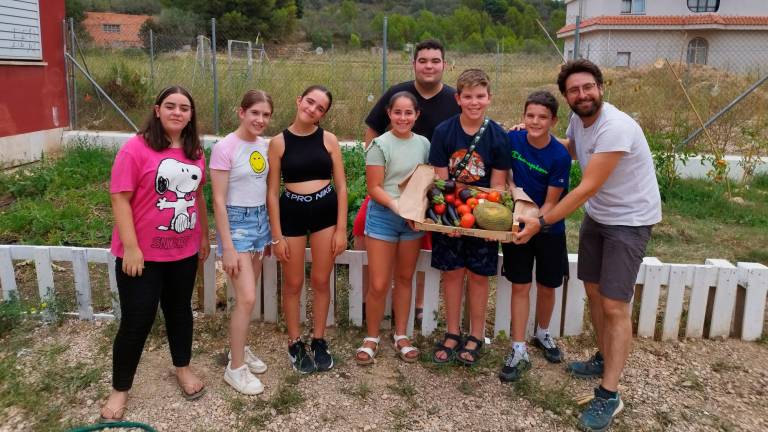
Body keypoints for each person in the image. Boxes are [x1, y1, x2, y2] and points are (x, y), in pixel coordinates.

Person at [514, 59, 662, 431]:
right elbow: (571, 150)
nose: (582, 94)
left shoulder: (616, 127)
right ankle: (603, 355)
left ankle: (609, 393)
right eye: (574, 90)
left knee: (614, 304)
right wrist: (534, 135)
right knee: (594, 292)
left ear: (600, 87)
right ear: (566, 97)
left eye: (588, 87)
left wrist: (541, 222)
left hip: (629, 221)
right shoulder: (579, 121)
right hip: (600, 217)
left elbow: (585, 187)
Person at [100, 85, 209, 422]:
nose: (178, 112)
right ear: (157, 109)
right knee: (137, 320)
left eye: (185, 108)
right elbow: (119, 197)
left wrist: (204, 235)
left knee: (180, 312)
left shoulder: (194, 152)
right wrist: (131, 248)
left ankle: (183, 368)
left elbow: (198, 196)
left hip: (183, 252)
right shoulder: (136, 149)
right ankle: (120, 389)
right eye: (171, 106)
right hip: (141, 256)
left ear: (191, 115)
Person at [353, 39, 461, 322]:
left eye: (435, 61)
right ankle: (370, 297)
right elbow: (372, 128)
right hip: (388, 185)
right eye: (423, 60)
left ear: (444, 65)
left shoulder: (454, 99)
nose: (429, 66)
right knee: (361, 226)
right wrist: (377, 164)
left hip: (430, 188)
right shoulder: (398, 93)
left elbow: (473, 126)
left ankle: (418, 306)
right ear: (414, 64)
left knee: (424, 240)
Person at [429, 69, 511, 366]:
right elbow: (440, 181)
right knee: (451, 274)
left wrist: (493, 225)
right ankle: (452, 331)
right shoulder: (444, 132)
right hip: (452, 212)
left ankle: (476, 334)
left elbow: (498, 185)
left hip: (482, 214)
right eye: (468, 97)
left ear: (488, 98)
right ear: (458, 98)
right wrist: (447, 221)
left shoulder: (498, 136)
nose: (474, 102)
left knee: (478, 277)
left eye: (480, 96)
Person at [266, 85, 348, 374]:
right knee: (293, 284)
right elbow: (272, 191)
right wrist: (276, 236)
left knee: (321, 280)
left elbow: (341, 186)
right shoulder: (278, 142)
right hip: (292, 213)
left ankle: (320, 338)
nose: (312, 109)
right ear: (299, 99)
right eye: (310, 102)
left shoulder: (329, 140)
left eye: (320, 108)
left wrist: (341, 228)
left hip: (325, 211)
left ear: (323, 114)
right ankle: (294, 342)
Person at [497, 91, 571, 382]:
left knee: (548, 285)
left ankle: (542, 332)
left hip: (549, 226)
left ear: (553, 120)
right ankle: (518, 348)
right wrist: (521, 223)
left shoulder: (559, 156)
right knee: (520, 285)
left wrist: (536, 223)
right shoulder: (512, 139)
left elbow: (552, 202)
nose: (535, 122)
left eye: (542, 117)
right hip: (517, 223)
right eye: (530, 116)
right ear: (523, 116)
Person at [354, 91, 430, 365]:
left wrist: (416, 209)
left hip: (412, 220)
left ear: (416, 115)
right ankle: (372, 337)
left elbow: (425, 179)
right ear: (389, 114)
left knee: (406, 279)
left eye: (408, 113)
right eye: (398, 112)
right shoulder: (379, 145)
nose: (403, 117)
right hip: (384, 217)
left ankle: (401, 335)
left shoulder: (423, 143)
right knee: (378, 283)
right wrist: (398, 207)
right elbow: (374, 187)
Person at [210, 90, 273, 395]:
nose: (260, 120)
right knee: (247, 297)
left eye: (266, 115)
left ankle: (240, 348)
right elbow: (219, 202)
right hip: (236, 224)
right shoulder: (225, 147)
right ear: (241, 112)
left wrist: (271, 231)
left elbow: (266, 189)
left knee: (245, 298)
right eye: (255, 113)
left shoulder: (265, 145)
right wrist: (228, 247)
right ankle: (235, 369)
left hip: (261, 222)